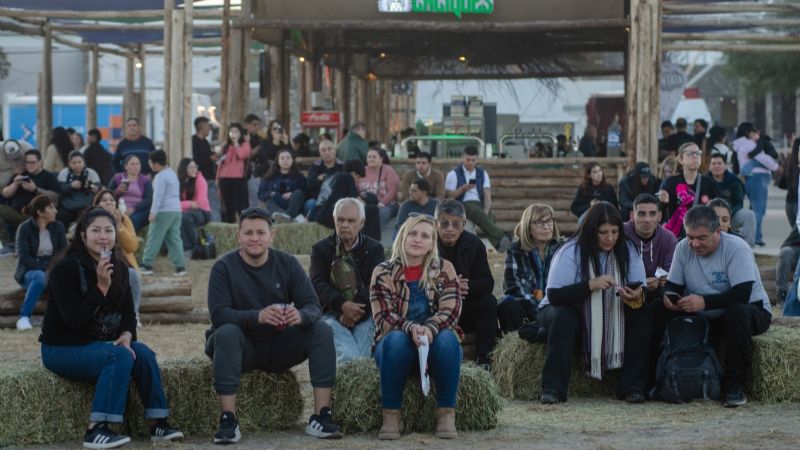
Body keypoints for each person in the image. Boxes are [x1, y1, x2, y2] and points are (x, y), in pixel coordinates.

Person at [40, 207, 183, 448]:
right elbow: (73, 321)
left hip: (100, 344)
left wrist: (127, 334)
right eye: (96, 230)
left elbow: (128, 315)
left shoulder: (120, 268)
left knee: (143, 353)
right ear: (83, 236)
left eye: (109, 230)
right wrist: (101, 289)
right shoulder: (65, 269)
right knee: (118, 357)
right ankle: (96, 429)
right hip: (62, 348)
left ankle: (157, 423)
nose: (103, 236)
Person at [205, 207, 342, 443]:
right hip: (241, 347)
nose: (255, 238)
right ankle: (228, 419)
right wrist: (257, 316)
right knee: (226, 332)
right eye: (248, 233)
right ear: (238, 236)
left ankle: (322, 416)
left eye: (261, 232)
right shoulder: (223, 268)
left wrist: (299, 315)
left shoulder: (287, 263)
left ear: (272, 235)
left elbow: (313, 306)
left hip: (278, 345)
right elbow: (219, 315)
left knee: (322, 329)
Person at [651, 205, 771, 407]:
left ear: (718, 232)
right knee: (655, 309)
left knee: (737, 312)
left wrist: (703, 302)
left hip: (750, 310)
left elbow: (742, 295)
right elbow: (673, 286)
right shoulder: (683, 247)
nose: (695, 243)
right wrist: (669, 299)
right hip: (705, 314)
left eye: (702, 238)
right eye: (690, 237)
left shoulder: (737, 248)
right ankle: (652, 380)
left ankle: (735, 385)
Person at [537, 202, 650, 404]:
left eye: (615, 232)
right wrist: (590, 285)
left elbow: (642, 286)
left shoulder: (627, 250)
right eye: (603, 232)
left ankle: (633, 386)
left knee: (643, 314)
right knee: (565, 317)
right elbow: (555, 296)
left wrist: (636, 295)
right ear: (591, 231)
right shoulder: (571, 251)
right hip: (563, 310)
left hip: (613, 309)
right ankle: (553, 388)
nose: (610, 238)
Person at [371, 214, 462, 440]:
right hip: (397, 343)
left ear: (432, 243)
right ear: (402, 236)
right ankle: (391, 416)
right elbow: (383, 317)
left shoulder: (444, 268)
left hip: (434, 342)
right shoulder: (383, 271)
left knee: (448, 340)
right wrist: (411, 327)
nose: (417, 239)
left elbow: (451, 311)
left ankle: (446, 414)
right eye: (412, 233)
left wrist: (429, 329)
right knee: (395, 340)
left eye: (425, 235)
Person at [310, 198, 385, 364]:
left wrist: (354, 310)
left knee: (360, 360)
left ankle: (350, 385)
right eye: (340, 220)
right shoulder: (320, 249)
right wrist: (342, 306)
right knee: (353, 359)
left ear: (362, 223)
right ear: (334, 220)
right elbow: (317, 284)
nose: (345, 225)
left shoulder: (374, 248)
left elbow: (377, 283)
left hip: (366, 314)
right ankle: (351, 385)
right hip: (330, 313)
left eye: (351, 221)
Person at [433, 199, 497, 368]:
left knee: (489, 302)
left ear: (464, 224)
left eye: (456, 224)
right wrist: (449, 286)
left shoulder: (475, 244)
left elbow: (487, 282)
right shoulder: (427, 243)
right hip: (435, 309)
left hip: (465, 308)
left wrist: (467, 286)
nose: (450, 229)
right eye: (444, 223)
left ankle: (484, 361)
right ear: (435, 223)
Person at [498, 203, 562, 333]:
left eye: (549, 221)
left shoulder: (562, 249)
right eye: (539, 222)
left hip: (554, 309)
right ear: (528, 227)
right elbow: (514, 287)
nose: (546, 227)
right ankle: (518, 347)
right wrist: (538, 312)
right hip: (528, 308)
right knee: (507, 303)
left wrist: (546, 311)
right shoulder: (516, 249)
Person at [13, 195, 67, 330]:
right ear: (40, 212)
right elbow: (24, 257)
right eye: (51, 207)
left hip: (53, 269)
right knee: (39, 276)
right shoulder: (24, 228)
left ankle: (65, 318)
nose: (55, 210)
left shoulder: (58, 227)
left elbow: (62, 253)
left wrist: (52, 269)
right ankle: (24, 317)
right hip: (29, 270)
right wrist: (46, 269)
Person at [444, 146, 510, 252]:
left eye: (473, 160)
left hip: (479, 203)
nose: (470, 163)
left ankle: (499, 245)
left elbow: (487, 196)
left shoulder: (482, 173)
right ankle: (501, 236)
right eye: (468, 160)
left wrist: (486, 212)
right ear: (462, 158)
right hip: (461, 204)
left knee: (489, 217)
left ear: (477, 159)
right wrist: (463, 188)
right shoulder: (453, 174)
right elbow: (449, 197)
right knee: (476, 212)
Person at [93, 189, 142, 324]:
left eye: (111, 200)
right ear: (97, 204)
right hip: (97, 260)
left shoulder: (124, 219)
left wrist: (119, 225)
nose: (109, 203)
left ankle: (134, 314)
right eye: (104, 200)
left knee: (133, 275)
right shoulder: (91, 220)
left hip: (122, 262)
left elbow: (132, 246)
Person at [1, 149, 60, 253]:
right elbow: (5, 193)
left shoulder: (48, 176)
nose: (30, 165)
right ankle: (8, 243)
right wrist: (15, 184)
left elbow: (55, 198)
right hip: (16, 214)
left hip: (36, 216)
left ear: (40, 162)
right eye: (27, 162)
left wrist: (35, 189)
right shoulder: (21, 175)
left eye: (33, 162)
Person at [623, 194, 677, 303]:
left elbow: (670, 275)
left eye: (652, 214)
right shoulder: (621, 233)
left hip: (657, 294)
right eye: (641, 214)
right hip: (624, 291)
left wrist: (659, 280)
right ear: (632, 215)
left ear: (659, 216)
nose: (647, 219)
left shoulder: (669, 239)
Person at [140, 150, 186, 276]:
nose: (149, 164)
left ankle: (147, 264)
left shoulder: (160, 177)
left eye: (150, 162)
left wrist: (153, 212)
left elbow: (158, 196)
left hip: (163, 211)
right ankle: (180, 266)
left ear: (155, 163)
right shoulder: (172, 173)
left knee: (154, 237)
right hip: (176, 211)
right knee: (174, 239)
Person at [733, 122, 778, 247]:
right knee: (759, 210)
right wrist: (775, 166)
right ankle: (755, 238)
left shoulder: (740, 144)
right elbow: (764, 159)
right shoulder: (749, 144)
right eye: (753, 131)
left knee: (754, 210)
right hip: (758, 178)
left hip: (751, 178)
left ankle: (754, 236)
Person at [658, 142, 717, 238]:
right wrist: (663, 202)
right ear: (681, 159)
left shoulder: (708, 183)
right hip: (676, 235)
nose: (695, 156)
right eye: (690, 154)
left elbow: (716, 209)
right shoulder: (671, 182)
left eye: (698, 153)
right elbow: (660, 211)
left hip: (701, 234)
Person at [707, 152, 756, 246]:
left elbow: (739, 203)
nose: (716, 166)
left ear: (725, 166)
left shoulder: (734, 180)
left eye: (719, 163)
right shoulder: (704, 180)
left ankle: (747, 248)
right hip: (710, 218)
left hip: (731, 215)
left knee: (749, 215)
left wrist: (728, 215)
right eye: (713, 163)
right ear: (709, 166)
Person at [258, 148, 307, 223]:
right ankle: (284, 216)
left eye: (288, 158)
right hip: (277, 204)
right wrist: (272, 194)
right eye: (282, 158)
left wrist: (292, 193)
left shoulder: (299, 176)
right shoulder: (269, 176)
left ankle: (287, 216)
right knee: (268, 200)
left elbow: (306, 191)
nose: (285, 160)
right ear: (278, 161)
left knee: (298, 192)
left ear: (292, 160)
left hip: (293, 204)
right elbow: (260, 193)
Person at [55, 150, 101, 228]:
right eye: (74, 163)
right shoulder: (64, 173)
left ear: (84, 162)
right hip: (67, 205)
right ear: (69, 163)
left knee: (87, 216)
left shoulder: (91, 172)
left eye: (80, 162)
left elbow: (98, 188)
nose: (77, 165)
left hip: (86, 204)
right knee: (62, 215)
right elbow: (60, 189)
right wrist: (71, 186)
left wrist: (90, 185)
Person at [217, 123, 252, 224]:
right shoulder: (225, 146)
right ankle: (229, 226)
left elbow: (242, 155)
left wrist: (236, 144)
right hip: (224, 179)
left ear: (241, 133)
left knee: (241, 206)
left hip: (238, 179)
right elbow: (220, 164)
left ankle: (245, 226)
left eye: (236, 132)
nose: (234, 134)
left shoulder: (245, 144)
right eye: (232, 132)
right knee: (228, 206)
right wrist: (217, 179)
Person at [108, 155, 153, 231]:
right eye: (132, 164)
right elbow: (107, 194)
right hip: (120, 209)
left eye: (137, 164)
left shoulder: (145, 180)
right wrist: (117, 191)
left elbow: (149, 199)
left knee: (133, 219)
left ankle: (129, 240)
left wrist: (134, 209)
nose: (136, 166)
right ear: (126, 166)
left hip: (139, 210)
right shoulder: (118, 178)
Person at [177, 158, 212, 254]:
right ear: (184, 169)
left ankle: (191, 248)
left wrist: (183, 205)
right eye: (190, 167)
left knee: (185, 218)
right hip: (187, 211)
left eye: (195, 167)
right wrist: (189, 204)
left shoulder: (200, 180)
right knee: (174, 217)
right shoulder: (180, 182)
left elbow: (199, 204)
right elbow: (174, 203)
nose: (194, 169)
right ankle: (169, 248)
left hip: (203, 212)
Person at [304, 139, 343, 221]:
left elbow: (343, 185)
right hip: (316, 199)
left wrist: (321, 180)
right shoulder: (315, 166)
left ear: (335, 151)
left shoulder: (342, 166)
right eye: (323, 150)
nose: (327, 152)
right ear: (320, 153)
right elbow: (310, 185)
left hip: (337, 199)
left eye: (329, 149)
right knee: (311, 204)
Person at [192, 116, 221, 222]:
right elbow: (195, 160)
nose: (210, 129)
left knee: (214, 205)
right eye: (208, 126)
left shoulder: (205, 141)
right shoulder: (193, 141)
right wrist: (209, 158)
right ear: (202, 127)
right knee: (207, 205)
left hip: (210, 177)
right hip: (201, 179)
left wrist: (214, 156)